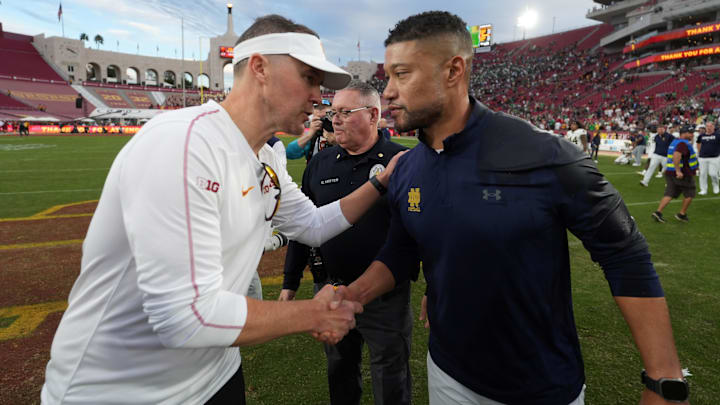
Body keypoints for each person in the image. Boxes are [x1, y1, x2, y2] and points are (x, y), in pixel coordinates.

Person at [41, 15, 406, 404]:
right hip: (122, 390)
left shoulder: (265, 156)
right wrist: (312, 314)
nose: (319, 97)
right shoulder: (183, 144)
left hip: (216, 374)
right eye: (308, 78)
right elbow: (184, 316)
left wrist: (379, 183)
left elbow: (314, 225)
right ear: (260, 67)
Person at [338, 11, 688, 405]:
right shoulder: (407, 169)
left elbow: (625, 254)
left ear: (453, 70)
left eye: (401, 74)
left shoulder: (546, 154)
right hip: (446, 370)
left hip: (540, 385)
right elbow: (401, 252)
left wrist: (664, 379)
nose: (386, 92)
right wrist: (355, 293)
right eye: (387, 77)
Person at [279, 81, 417, 405]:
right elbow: (305, 226)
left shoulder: (403, 162)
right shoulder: (320, 163)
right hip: (330, 289)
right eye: (332, 112)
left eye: (344, 112)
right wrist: (290, 280)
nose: (334, 120)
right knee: (339, 369)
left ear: (372, 115)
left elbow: (421, 233)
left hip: (385, 297)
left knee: (391, 374)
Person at [652, 125, 698, 223]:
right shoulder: (683, 144)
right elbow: (676, 155)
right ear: (684, 133)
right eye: (690, 133)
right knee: (690, 193)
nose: (692, 134)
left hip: (670, 172)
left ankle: (658, 212)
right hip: (682, 174)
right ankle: (682, 214)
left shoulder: (675, 141)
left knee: (670, 193)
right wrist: (678, 171)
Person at [641, 123, 673, 187]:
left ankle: (670, 183)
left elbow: (675, 142)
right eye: (658, 129)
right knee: (651, 167)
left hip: (665, 156)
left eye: (661, 129)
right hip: (656, 155)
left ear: (664, 130)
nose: (659, 131)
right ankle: (645, 181)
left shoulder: (669, 136)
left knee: (667, 170)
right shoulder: (656, 136)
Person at [695, 121, 720, 195]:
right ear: (705, 127)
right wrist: (700, 153)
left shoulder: (718, 135)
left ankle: (716, 187)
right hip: (703, 158)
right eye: (707, 126)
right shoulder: (701, 136)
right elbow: (698, 144)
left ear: (713, 127)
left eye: (710, 126)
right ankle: (703, 190)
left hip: (714, 158)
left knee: (713, 174)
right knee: (702, 174)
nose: (709, 128)